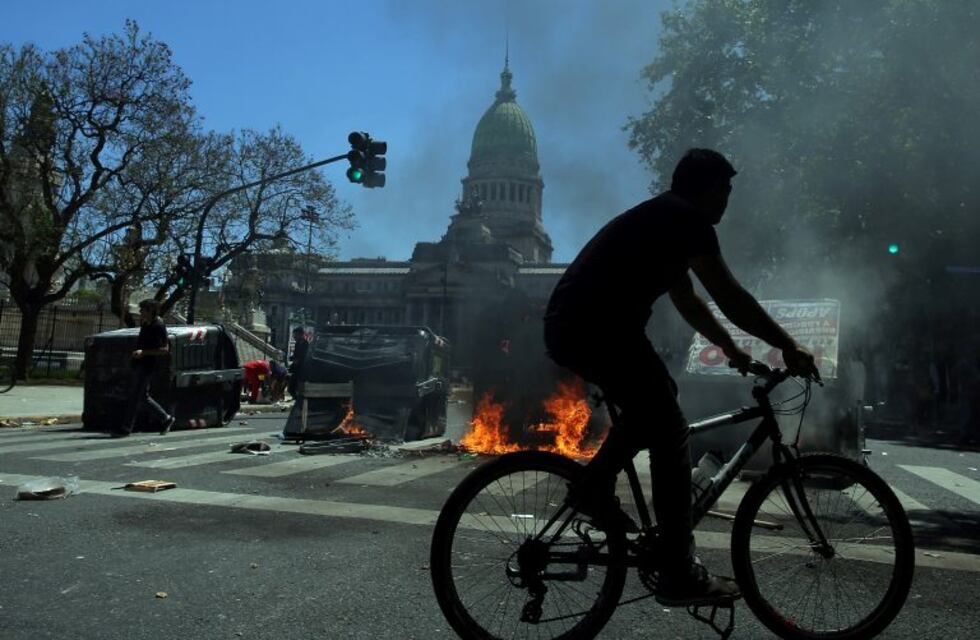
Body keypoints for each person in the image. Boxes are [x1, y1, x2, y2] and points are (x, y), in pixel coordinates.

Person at [543, 148, 819, 607]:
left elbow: (690, 300)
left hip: (583, 325)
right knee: (669, 430)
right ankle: (676, 569)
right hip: (596, 327)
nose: (728, 203)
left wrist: (730, 347)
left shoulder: (662, 220)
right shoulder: (687, 222)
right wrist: (788, 344)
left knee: (656, 404)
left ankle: (592, 489)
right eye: (725, 191)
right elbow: (729, 294)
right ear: (707, 189)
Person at [114, 299, 176, 437]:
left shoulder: (158, 325)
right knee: (142, 396)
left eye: (143, 310)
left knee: (136, 396)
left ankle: (126, 428)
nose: (140, 312)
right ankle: (166, 418)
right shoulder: (145, 324)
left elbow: (165, 349)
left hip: (148, 365)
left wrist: (144, 352)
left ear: (150, 310)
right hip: (139, 363)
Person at [287, 326, 310, 399]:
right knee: (291, 388)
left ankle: (299, 401)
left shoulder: (306, 344)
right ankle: (297, 400)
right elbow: (296, 355)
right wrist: (293, 358)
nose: (294, 336)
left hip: (302, 369)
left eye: (295, 334)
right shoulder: (297, 344)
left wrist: (298, 360)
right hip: (296, 369)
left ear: (301, 334)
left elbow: (305, 356)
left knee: (299, 387)